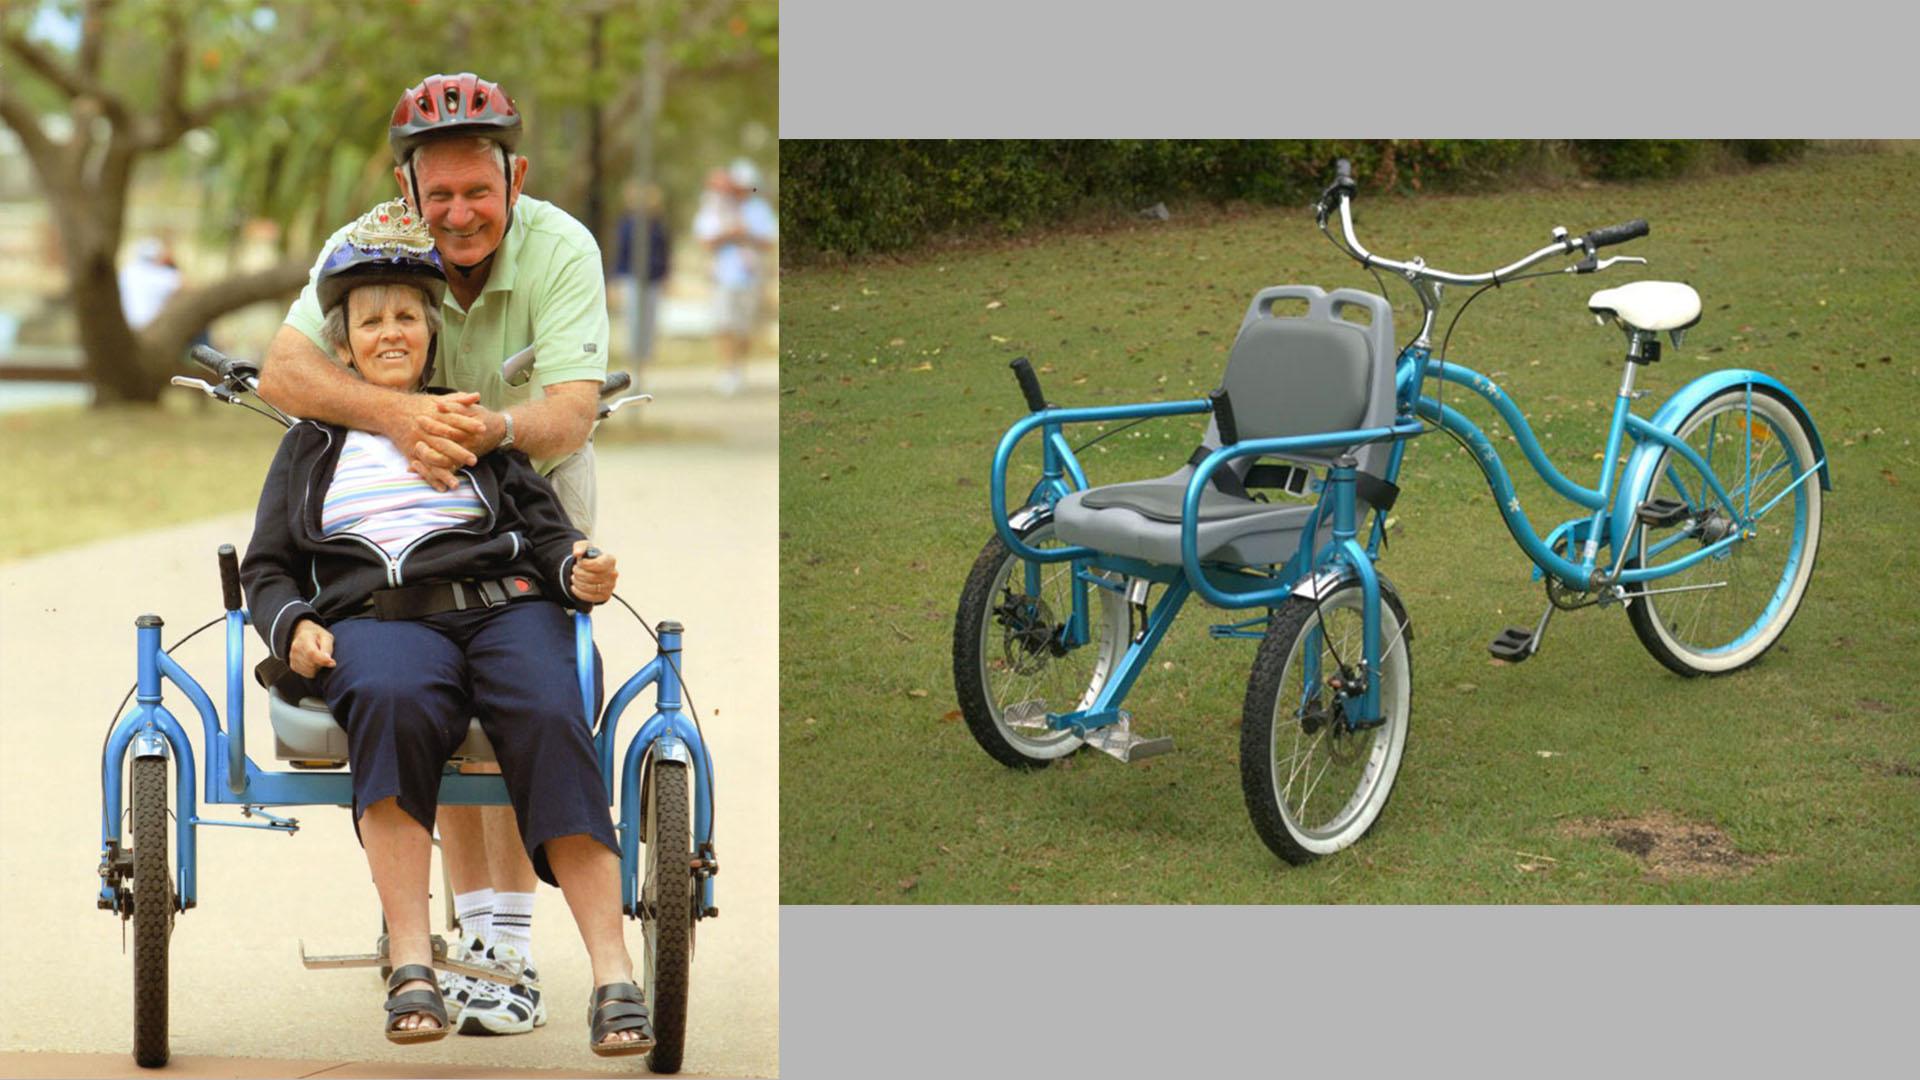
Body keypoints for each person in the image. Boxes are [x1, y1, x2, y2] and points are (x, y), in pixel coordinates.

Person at [241, 209, 652, 1055]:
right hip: (382, 623)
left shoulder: (474, 426)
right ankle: (412, 963)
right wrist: (292, 628)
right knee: (388, 699)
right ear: (345, 346)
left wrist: (579, 567)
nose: (390, 333)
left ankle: (614, 974)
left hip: (508, 609)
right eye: (370, 321)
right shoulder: (313, 446)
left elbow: (547, 534)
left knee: (549, 708)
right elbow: (268, 568)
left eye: (406, 318)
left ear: (430, 335)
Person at [692, 158, 776, 395]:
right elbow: (706, 239)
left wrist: (747, 234)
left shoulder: (759, 209)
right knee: (724, 324)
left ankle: (739, 369)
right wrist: (729, 234)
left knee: (744, 327)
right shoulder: (717, 207)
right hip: (723, 275)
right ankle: (726, 370)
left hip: (751, 276)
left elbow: (768, 241)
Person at [612, 181, 671, 382]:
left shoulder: (658, 224)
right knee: (633, 322)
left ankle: (644, 366)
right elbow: (621, 252)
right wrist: (616, 280)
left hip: (653, 279)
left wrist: (665, 276)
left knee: (649, 323)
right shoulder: (627, 224)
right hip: (632, 278)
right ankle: (633, 366)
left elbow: (664, 252)